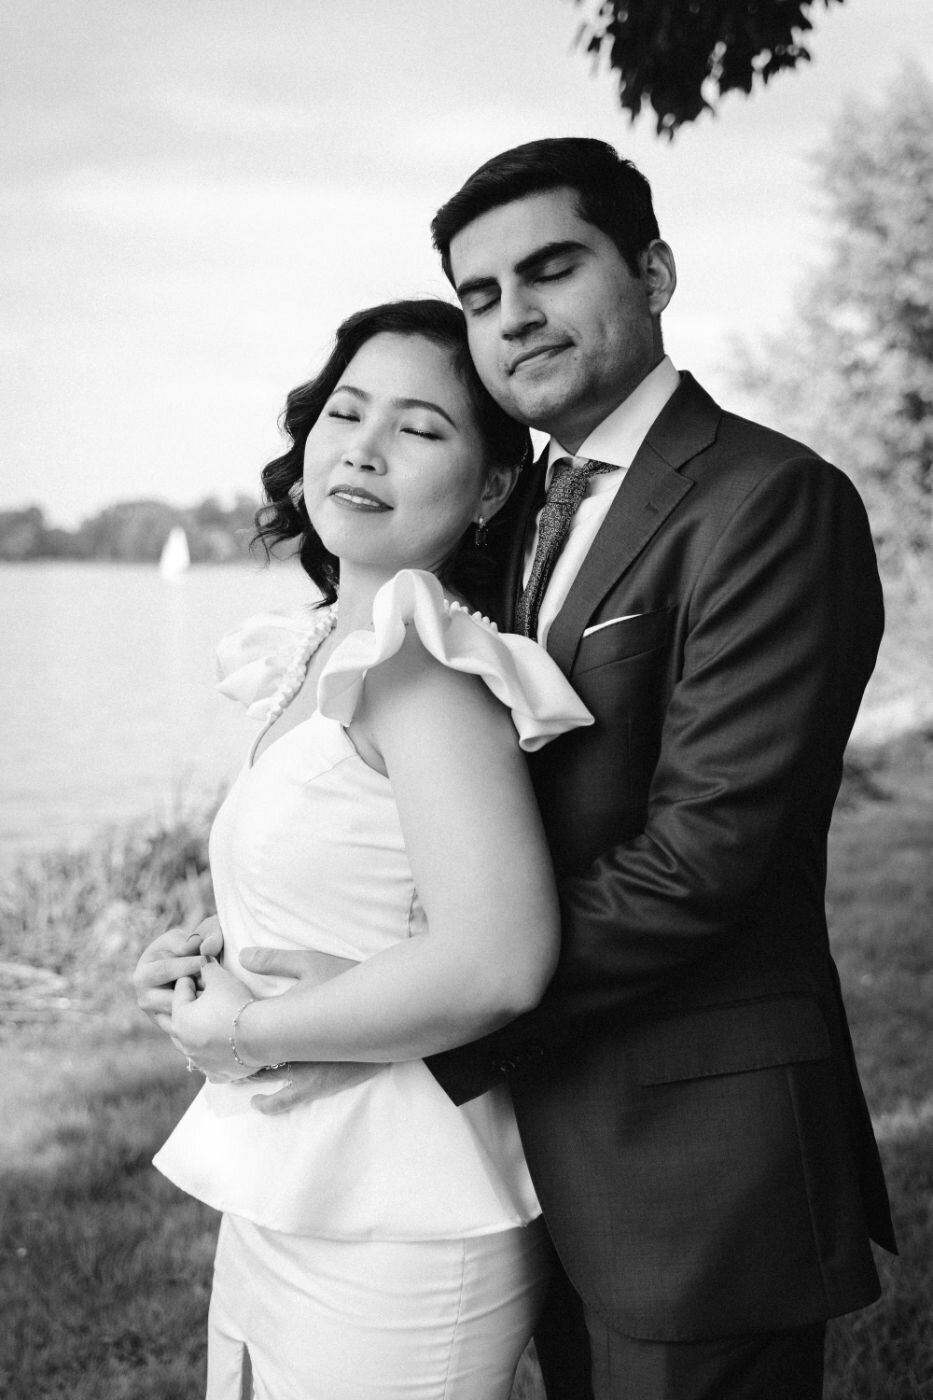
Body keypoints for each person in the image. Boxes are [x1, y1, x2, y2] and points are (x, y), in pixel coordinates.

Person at [150, 138, 897, 1400]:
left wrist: (410, 1005)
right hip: (514, 1145)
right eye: (482, 292)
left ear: (653, 271)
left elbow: (706, 856)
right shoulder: (510, 523)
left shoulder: (769, 499)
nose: (514, 315)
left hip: (690, 1149)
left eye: (552, 269)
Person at [136, 297, 594, 1400]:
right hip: (292, 1177)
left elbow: (496, 962)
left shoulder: (424, 670)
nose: (364, 449)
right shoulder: (320, 652)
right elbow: (353, 892)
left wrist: (243, 1031)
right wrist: (199, 961)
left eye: (420, 428)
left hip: (400, 1210)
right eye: (346, 412)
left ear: (493, 486)